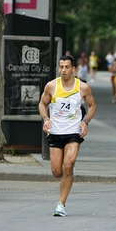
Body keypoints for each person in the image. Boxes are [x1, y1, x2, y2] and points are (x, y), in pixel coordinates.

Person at [38, 55, 96, 216]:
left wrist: (85, 122)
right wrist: (46, 119)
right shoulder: (51, 86)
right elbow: (42, 104)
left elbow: (92, 106)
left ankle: (61, 204)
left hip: (73, 132)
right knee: (57, 172)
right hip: (55, 132)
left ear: (73, 69)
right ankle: (66, 172)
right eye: (61, 67)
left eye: (67, 67)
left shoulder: (82, 87)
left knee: (68, 166)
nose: (63, 70)